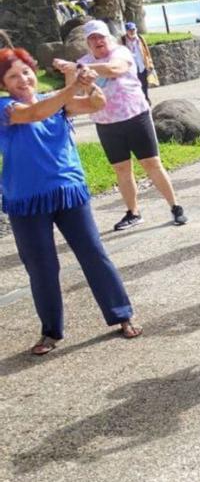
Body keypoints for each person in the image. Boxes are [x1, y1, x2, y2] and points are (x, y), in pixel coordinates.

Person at [1, 48, 143, 355]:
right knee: (42, 268)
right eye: (12, 76)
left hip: (68, 190)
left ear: (34, 73)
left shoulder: (57, 100)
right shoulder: (5, 107)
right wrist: (72, 87)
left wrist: (90, 83)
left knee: (94, 254)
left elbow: (96, 104)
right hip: (25, 200)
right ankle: (50, 331)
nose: (22, 79)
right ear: (3, 83)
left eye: (26, 72)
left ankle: (122, 315)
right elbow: (34, 114)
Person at [68, 21, 186, 230]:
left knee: (151, 163)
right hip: (106, 123)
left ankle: (175, 206)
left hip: (135, 116)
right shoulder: (83, 62)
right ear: (87, 43)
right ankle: (133, 212)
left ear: (108, 38)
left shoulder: (120, 52)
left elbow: (115, 69)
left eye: (101, 37)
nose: (98, 41)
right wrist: (73, 73)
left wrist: (82, 69)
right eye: (92, 38)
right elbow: (74, 89)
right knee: (122, 168)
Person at [120, 22, 155, 103]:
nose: (132, 31)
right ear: (126, 31)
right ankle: (137, 100)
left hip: (142, 65)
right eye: (130, 30)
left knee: (144, 84)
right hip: (130, 68)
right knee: (134, 85)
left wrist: (150, 63)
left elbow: (147, 51)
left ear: (136, 29)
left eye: (133, 29)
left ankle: (145, 98)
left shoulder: (140, 38)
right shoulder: (123, 40)